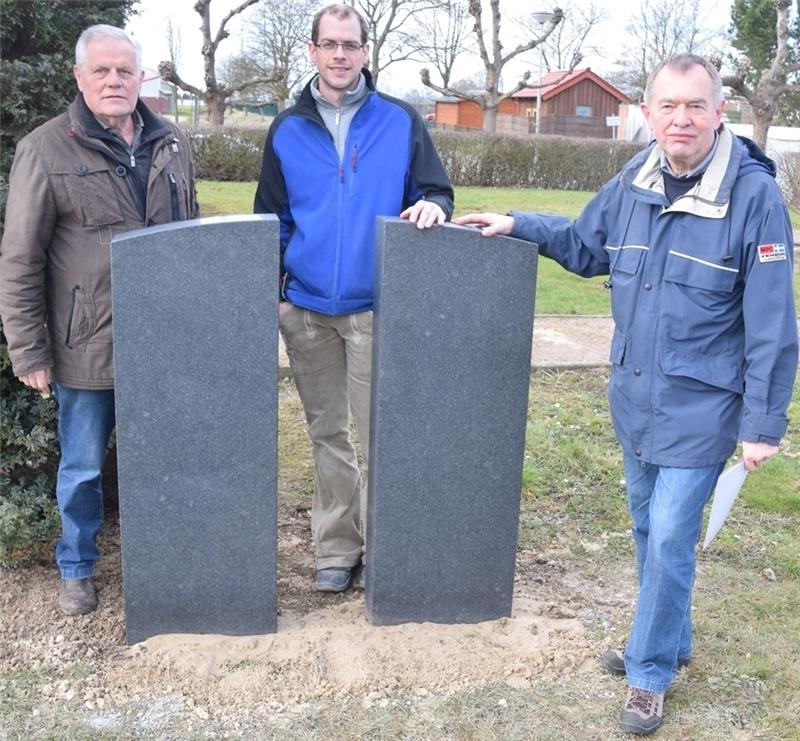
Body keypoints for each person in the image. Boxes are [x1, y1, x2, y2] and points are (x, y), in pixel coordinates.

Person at [454, 54, 797, 735]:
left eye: (695, 105)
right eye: (667, 105)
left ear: (718, 112)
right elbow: (586, 245)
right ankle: (672, 637)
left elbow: (772, 324)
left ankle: (648, 673)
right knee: (648, 530)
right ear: (648, 113)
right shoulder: (634, 181)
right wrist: (519, 223)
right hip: (635, 402)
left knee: (670, 535)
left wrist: (763, 423)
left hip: (703, 409)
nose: (681, 118)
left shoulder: (754, 198)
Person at [254, 3, 453, 593]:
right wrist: (276, 295)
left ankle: (390, 553)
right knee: (327, 436)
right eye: (329, 44)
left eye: (350, 44)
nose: (340, 55)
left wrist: (435, 206)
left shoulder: (400, 120)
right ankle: (336, 550)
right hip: (308, 311)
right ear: (313, 51)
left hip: (374, 310)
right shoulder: (287, 128)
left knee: (380, 434)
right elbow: (273, 218)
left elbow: (435, 189)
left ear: (366, 52)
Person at [0, 25, 198, 616]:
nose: (115, 81)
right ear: (80, 77)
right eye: (102, 71)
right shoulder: (45, 149)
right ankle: (77, 567)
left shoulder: (173, 141)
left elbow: (192, 239)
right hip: (88, 342)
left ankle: (169, 559)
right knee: (83, 466)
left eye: (125, 71)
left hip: (167, 339)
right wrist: (29, 350)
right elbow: (20, 256)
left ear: (141, 78)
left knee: (170, 457)